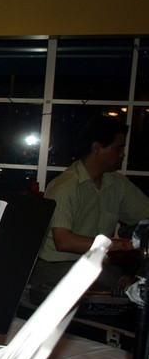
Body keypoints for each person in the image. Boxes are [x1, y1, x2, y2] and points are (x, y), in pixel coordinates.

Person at [32, 115, 149, 291]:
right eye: (119, 148)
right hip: (55, 267)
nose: (123, 154)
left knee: (132, 285)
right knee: (116, 285)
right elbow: (63, 241)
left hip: (94, 264)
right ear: (97, 147)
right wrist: (119, 245)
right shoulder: (65, 185)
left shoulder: (117, 183)